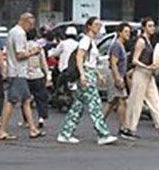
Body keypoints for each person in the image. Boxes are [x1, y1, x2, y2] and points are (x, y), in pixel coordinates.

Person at [57, 17, 118, 146]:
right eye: (96, 24)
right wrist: (83, 75)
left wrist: (97, 73)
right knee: (95, 104)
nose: (98, 26)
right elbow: (80, 57)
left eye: (99, 24)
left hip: (88, 73)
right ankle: (103, 134)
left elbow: (90, 61)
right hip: (86, 74)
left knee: (78, 106)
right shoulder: (85, 40)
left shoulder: (91, 41)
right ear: (89, 26)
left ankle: (65, 133)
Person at [124, 17, 159, 141]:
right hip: (141, 73)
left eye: (153, 26)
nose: (152, 28)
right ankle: (130, 129)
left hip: (149, 73)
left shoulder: (150, 41)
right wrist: (147, 66)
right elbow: (135, 60)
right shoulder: (141, 41)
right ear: (144, 27)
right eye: (149, 26)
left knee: (155, 100)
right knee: (136, 101)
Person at [0, 13, 42, 141]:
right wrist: (34, 52)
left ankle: (33, 128)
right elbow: (19, 55)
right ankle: (2, 130)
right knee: (12, 100)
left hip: (17, 71)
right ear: (25, 21)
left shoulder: (13, 31)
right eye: (31, 24)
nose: (31, 27)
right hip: (18, 72)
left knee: (26, 100)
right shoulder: (20, 33)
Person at [105, 23, 132, 125]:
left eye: (129, 32)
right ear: (119, 33)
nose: (128, 34)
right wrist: (117, 78)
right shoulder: (117, 45)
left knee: (112, 102)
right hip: (115, 76)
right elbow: (113, 63)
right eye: (125, 32)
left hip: (119, 75)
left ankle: (99, 122)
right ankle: (123, 127)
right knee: (121, 100)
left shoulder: (121, 46)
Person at [26, 30, 51, 131]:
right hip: (38, 75)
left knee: (26, 99)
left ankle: (27, 120)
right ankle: (41, 118)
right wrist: (48, 75)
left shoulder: (23, 47)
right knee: (41, 98)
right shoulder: (38, 47)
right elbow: (44, 63)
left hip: (26, 76)